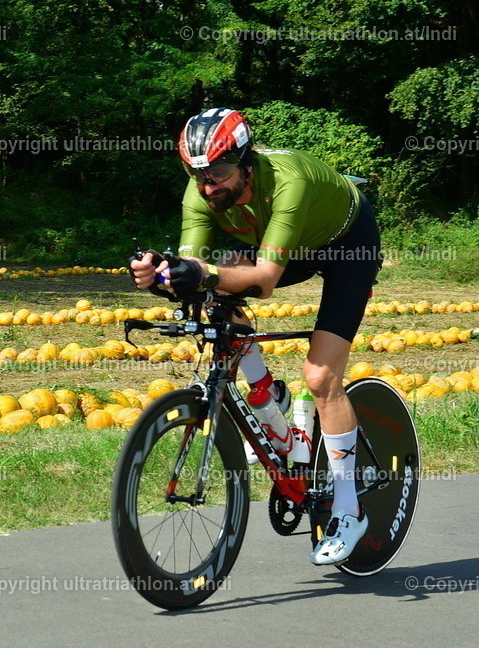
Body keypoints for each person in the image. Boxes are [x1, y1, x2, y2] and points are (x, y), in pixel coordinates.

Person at [130, 107, 382, 565]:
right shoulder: (201, 191)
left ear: (247, 164)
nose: (209, 187)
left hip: (346, 244)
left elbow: (264, 280)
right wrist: (162, 273)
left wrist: (202, 273)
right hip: (278, 241)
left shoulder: (289, 182)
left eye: (219, 174)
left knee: (321, 377)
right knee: (217, 291)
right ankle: (269, 400)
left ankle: (350, 510)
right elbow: (196, 264)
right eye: (198, 175)